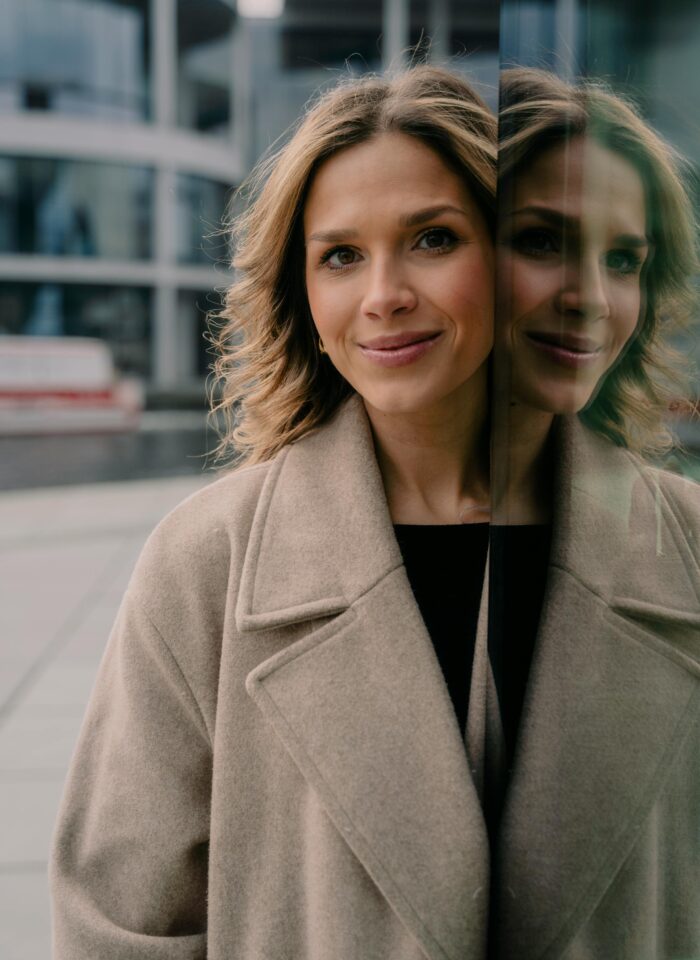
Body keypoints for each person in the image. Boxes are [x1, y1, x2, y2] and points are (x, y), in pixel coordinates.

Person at [50, 66, 501, 960]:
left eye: (433, 238)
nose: (383, 295)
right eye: (340, 255)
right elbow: (119, 923)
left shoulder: (663, 545)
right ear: (303, 293)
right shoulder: (205, 561)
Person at [488, 68, 700, 958]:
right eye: (541, 240)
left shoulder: (690, 542)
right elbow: (129, 912)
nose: (592, 298)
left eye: (624, 260)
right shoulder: (212, 556)